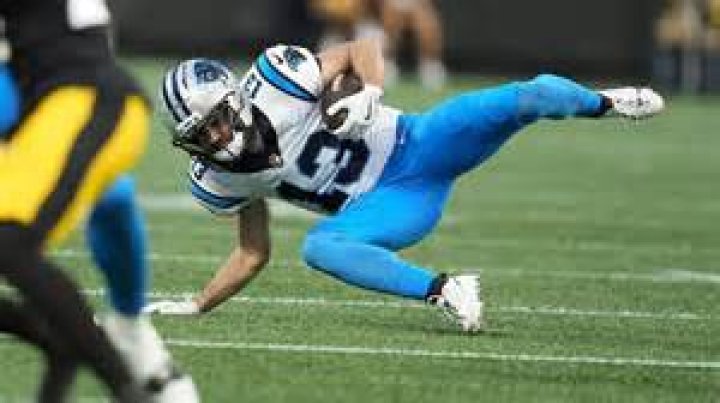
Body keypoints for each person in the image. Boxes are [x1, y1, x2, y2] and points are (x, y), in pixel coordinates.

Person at [146, 38, 664, 332]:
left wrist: (370, 91)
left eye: (214, 123)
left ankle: (605, 103)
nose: (214, 139)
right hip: (390, 203)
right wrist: (199, 303)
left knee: (532, 95)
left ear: (234, 100)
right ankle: (445, 289)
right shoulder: (219, 177)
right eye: (199, 136)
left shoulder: (279, 81)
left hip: (419, 143)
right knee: (322, 246)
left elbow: (361, 47)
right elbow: (251, 253)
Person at [0, 0, 199, 401]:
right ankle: (62, 343)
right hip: (55, 105)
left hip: (83, 99)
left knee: (10, 241)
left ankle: (126, 383)